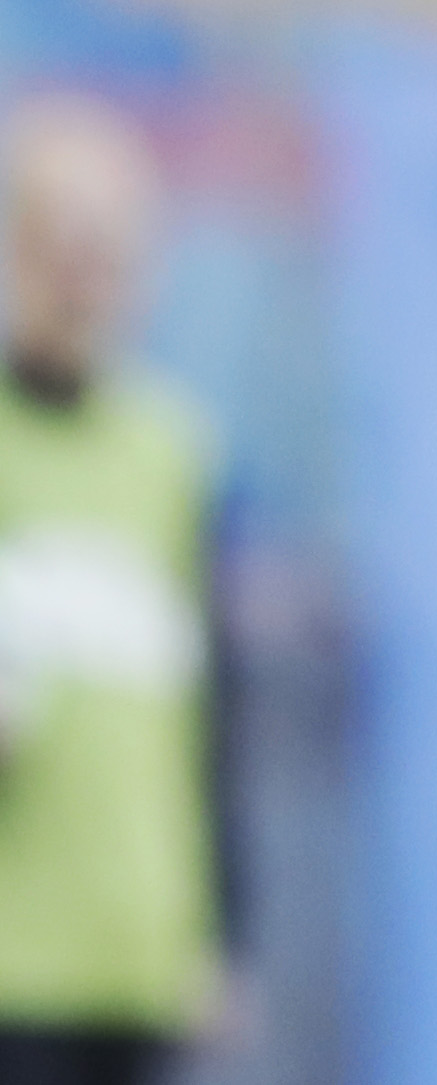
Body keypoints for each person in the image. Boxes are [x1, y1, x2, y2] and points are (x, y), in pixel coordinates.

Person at [0, 94, 233, 1085]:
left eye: (107, 247)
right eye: (58, 241)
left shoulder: (174, 451)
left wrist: (222, 928)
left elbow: (214, 716)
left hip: (141, 954)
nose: (81, 274)